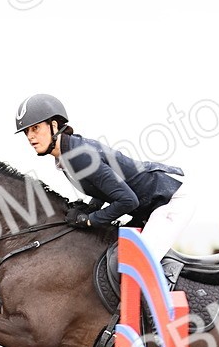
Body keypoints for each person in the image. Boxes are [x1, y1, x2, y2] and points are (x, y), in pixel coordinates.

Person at [15, 92, 192, 275]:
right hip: (149, 204)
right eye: (26, 131)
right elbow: (102, 188)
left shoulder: (79, 155)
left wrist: (91, 220)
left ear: (53, 125)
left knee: (137, 267)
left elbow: (128, 201)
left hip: (170, 199)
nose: (29, 136)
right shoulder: (67, 155)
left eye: (35, 128)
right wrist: (90, 208)